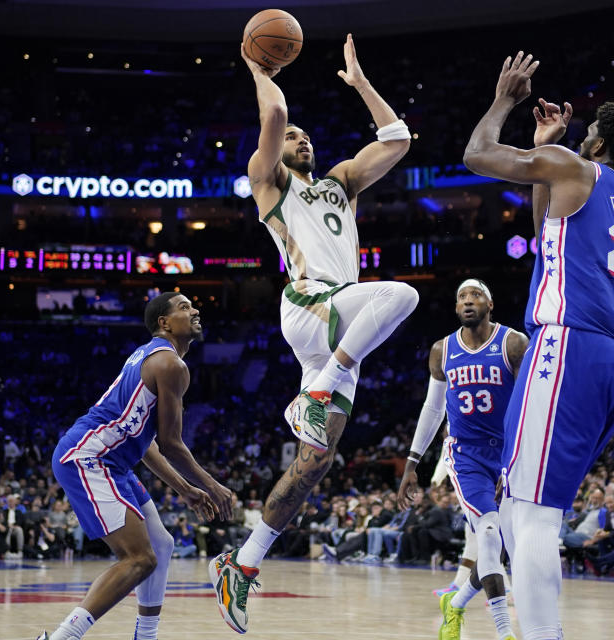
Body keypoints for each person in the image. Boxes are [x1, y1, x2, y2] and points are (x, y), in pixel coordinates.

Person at [210, 34, 417, 635]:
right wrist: (257, 66)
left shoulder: (341, 184)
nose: (302, 139)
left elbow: (398, 140)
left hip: (340, 335)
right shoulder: (268, 182)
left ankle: (241, 567)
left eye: (307, 136)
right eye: (296, 136)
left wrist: (359, 84)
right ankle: (316, 395)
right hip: (312, 304)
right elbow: (274, 114)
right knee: (400, 294)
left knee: (314, 464)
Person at [464, 52, 614, 640]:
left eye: (586, 133)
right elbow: (548, 237)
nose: (581, 136)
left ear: (595, 148)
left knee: (534, 514)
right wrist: (549, 146)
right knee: (530, 509)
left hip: (571, 346)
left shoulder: (576, 168)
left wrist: (505, 101)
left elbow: (475, 156)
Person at [35, 292, 231, 640]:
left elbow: (145, 444)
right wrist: (214, 486)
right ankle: (62, 638)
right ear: (164, 323)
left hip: (113, 462)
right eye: (184, 307)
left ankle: (146, 635)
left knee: (160, 546)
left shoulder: (148, 357)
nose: (195, 310)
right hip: (90, 458)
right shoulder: (170, 365)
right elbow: (172, 444)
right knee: (139, 559)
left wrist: (185, 489)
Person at [397, 279, 528, 640]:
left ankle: (454, 605)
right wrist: (412, 462)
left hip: (507, 452)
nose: (468, 301)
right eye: (462, 297)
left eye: (476, 295)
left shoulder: (514, 343)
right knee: (487, 536)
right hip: (465, 453)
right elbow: (432, 407)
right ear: (456, 308)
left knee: (501, 546)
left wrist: (517, 457)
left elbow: (528, 404)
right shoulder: (443, 350)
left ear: (490, 304)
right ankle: (505, 633)